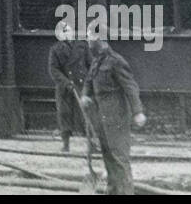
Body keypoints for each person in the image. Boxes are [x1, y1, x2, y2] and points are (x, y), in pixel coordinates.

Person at [80, 35, 146, 195]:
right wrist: (85, 95)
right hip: (101, 118)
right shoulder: (96, 61)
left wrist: (138, 112)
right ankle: (112, 191)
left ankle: (125, 192)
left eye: (90, 40)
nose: (88, 43)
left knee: (119, 159)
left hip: (117, 118)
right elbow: (89, 81)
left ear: (100, 40)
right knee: (108, 157)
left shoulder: (116, 61)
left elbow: (131, 87)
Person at [48, 24, 90, 152]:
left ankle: (92, 143)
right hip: (64, 87)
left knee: (86, 114)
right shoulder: (55, 49)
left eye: (68, 31)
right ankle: (66, 144)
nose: (66, 34)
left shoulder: (82, 46)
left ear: (72, 32)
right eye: (62, 32)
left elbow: (91, 65)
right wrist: (66, 82)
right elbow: (53, 69)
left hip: (81, 85)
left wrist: (89, 84)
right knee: (64, 114)